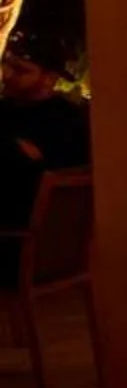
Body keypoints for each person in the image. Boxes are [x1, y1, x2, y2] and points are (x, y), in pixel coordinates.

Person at [0, 49, 88, 278]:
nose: (7, 74)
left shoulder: (63, 121)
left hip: (24, 248)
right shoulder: (10, 112)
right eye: (7, 66)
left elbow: (30, 171)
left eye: (20, 70)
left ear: (50, 78)